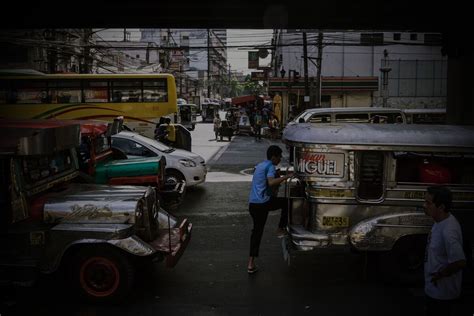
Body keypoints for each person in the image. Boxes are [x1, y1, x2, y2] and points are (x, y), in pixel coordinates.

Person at [247, 145, 293, 274]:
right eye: (279, 156)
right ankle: (280, 228)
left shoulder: (261, 165)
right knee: (287, 202)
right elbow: (272, 182)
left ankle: (251, 263)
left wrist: (282, 174)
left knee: (257, 232)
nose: (280, 159)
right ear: (273, 156)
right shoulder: (270, 167)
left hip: (253, 204)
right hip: (263, 203)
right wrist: (287, 176)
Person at [423, 185, 466, 316]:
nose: (424, 205)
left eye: (428, 203)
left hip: (442, 296)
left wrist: (439, 275)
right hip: (433, 291)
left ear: (441, 207)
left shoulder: (449, 231)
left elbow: (460, 262)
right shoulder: (439, 221)